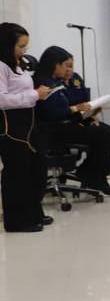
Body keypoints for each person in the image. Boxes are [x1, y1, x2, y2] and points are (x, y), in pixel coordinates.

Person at [33, 46, 110, 196]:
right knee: (104, 134)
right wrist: (75, 110)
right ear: (55, 65)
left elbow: (66, 108)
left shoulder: (56, 81)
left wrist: (88, 117)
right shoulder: (43, 83)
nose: (67, 69)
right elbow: (52, 112)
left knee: (106, 131)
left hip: (65, 124)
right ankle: (91, 173)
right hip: (52, 130)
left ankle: (95, 174)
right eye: (64, 65)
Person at [0, 23, 53, 232]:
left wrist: (40, 93)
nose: (24, 51)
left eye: (26, 46)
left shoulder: (17, 65)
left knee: (36, 170)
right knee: (17, 174)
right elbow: (1, 100)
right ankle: (16, 221)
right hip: (11, 129)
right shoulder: (1, 66)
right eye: (21, 46)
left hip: (28, 126)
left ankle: (33, 213)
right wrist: (34, 95)